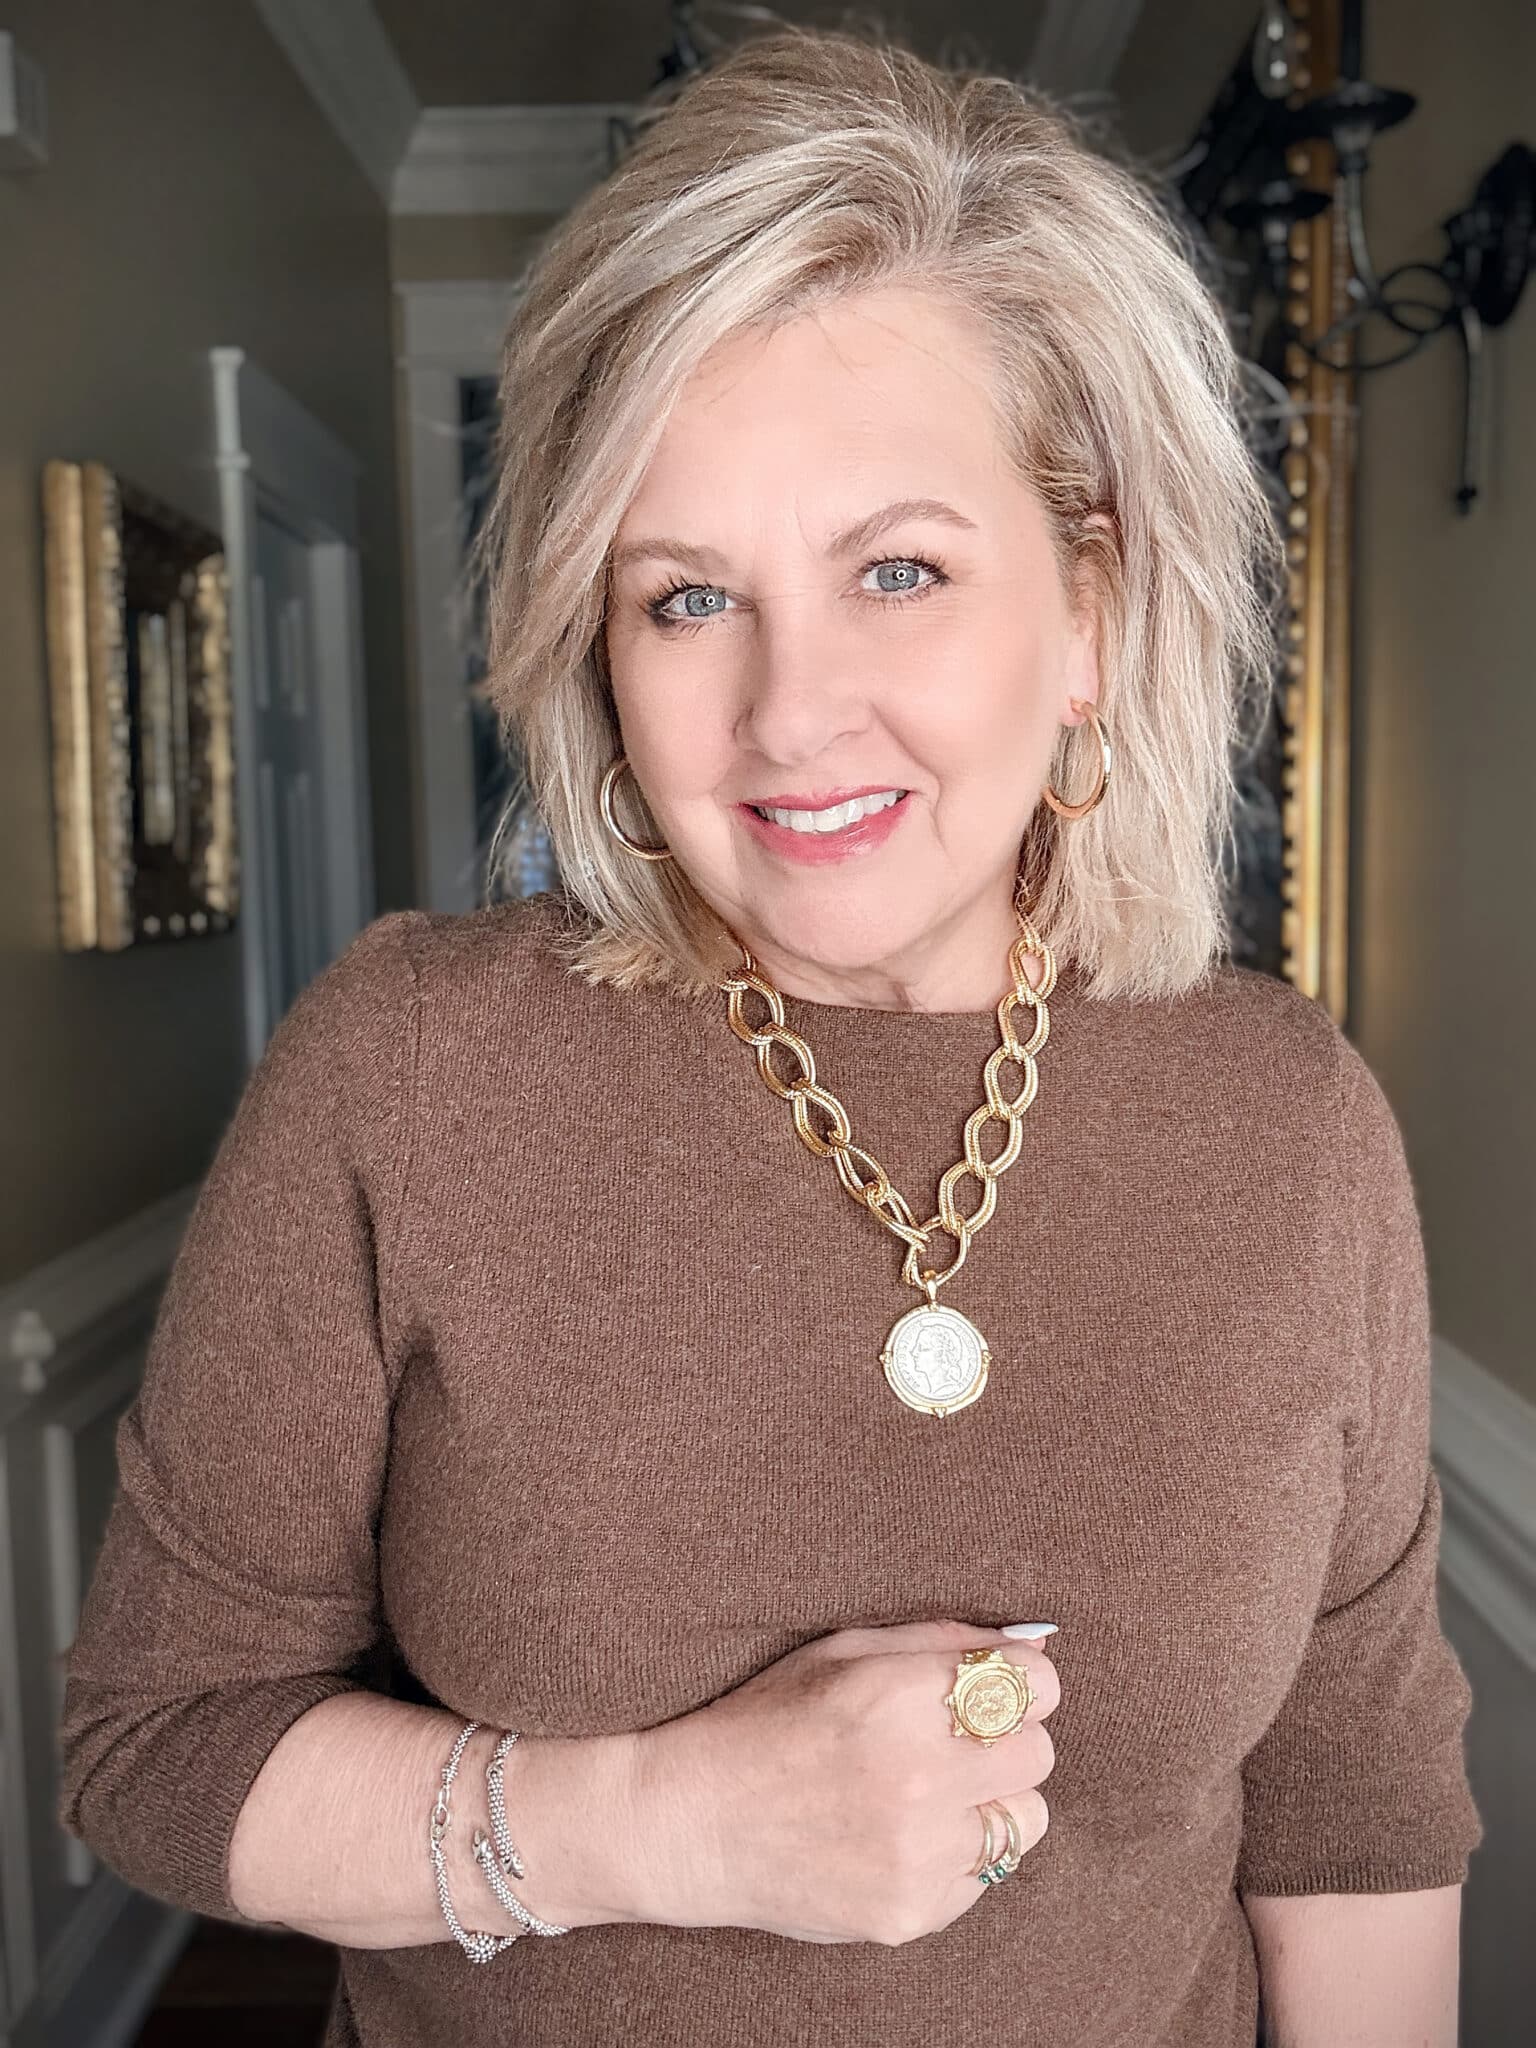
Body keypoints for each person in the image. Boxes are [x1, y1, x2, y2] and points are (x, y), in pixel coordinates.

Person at [57, 24, 1483, 2048]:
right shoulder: (409, 1074)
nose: (790, 713)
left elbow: (1350, 1802)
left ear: (1091, 606)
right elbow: (157, 1745)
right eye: (686, 598)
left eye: (896, 567)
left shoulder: (1292, 1120)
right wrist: (668, 1821)